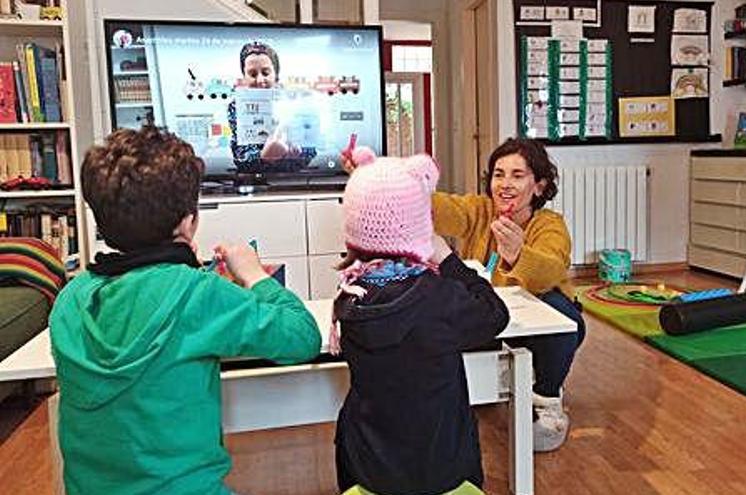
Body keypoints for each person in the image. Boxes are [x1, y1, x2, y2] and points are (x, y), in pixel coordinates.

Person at [50, 126, 322, 494]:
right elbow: (301, 337)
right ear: (188, 221)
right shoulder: (198, 293)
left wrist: (179, 269)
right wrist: (254, 274)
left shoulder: (71, 298)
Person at [333, 150, 510, 494]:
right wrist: (446, 258)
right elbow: (494, 313)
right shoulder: (440, 298)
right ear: (421, 228)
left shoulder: (348, 295)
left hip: (369, 471)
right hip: (440, 473)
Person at [432, 137, 586, 452]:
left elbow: (550, 271)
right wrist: (383, 178)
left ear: (539, 186)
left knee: (567, 318)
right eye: (499, 174)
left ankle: (546, 400)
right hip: (485, 317)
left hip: (528, 324)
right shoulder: (479, 210)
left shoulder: (549, 224)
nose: (505, 183)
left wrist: (518, 254)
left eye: (518, 175)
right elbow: (442, 208)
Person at [228, 41, 299, 170]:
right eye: (253, 74)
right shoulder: (236, 106)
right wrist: (264, 157)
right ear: (244, 77)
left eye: (266, 73)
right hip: (252, 180)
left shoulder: (294, 102)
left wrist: (299, 154)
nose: (260, 80)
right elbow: (240, 156)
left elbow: (312, 148)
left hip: (294, 178)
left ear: (276, 74)